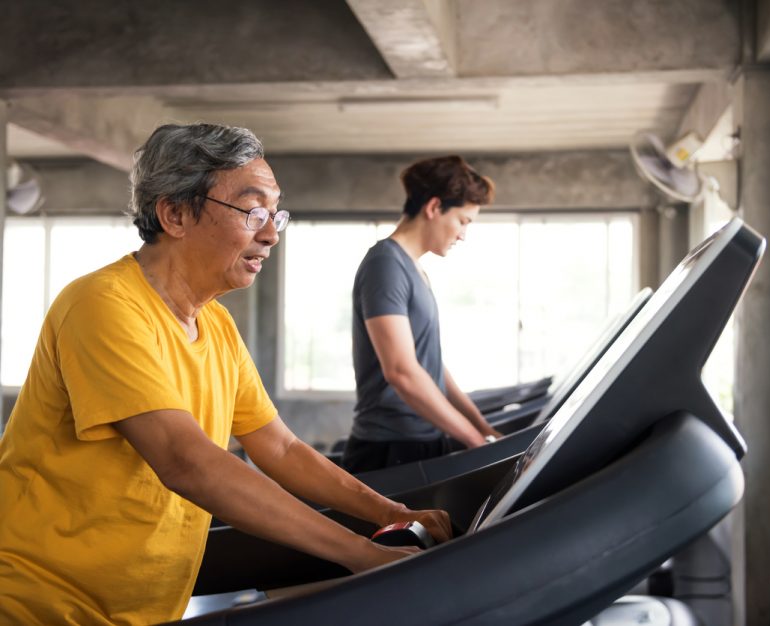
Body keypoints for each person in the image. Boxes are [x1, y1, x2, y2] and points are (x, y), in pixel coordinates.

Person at [0, 123, 451, 626]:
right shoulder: (104, 305)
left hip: (139, 610)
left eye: (275, 212)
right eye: (253, 210)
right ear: (174, 213)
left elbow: (278, 448)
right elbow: (185, 461)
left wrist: (388, 514)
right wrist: (362, 555)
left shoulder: (214, 323)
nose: (271, 233)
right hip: (38, 603)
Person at [342, 155, 503, 474]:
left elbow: (431, 365)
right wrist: (474, 439)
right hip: (389, 449)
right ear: (433, 208)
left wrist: (484, 429)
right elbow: (402, 372)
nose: (463, 235)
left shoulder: (414, 269)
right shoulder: (385, 265)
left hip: (422, 440)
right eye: (462, 221)